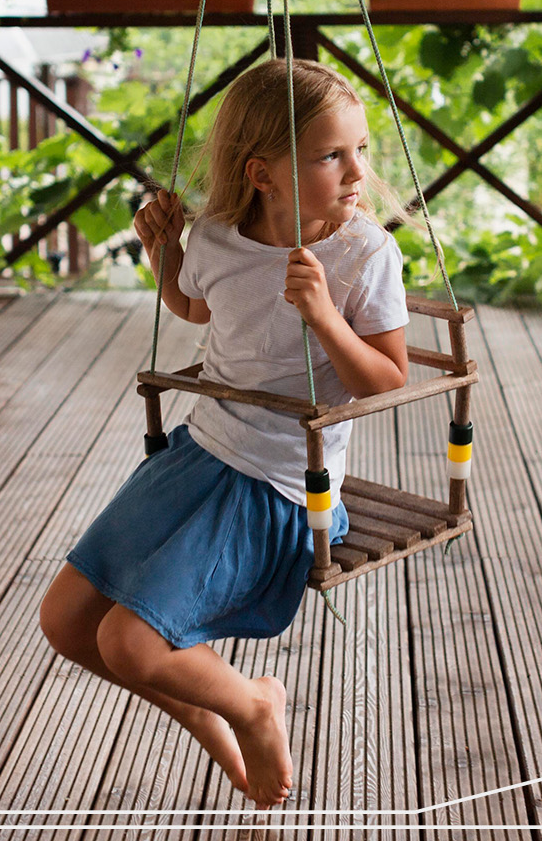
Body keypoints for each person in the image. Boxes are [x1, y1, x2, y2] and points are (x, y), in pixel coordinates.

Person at [37, 58, 411, 809]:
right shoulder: (218, 236)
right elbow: (198, 307)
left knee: (129, 642)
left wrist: (326, 318)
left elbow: (388, 379)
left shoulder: (364, 253)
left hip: (280, 485)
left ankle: (250, 707)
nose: (356, 170)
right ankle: (216, 720)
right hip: (199, 456)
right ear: (263, 173)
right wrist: (163, 252)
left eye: (361, 149)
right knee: (67, 623)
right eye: (332, 154)